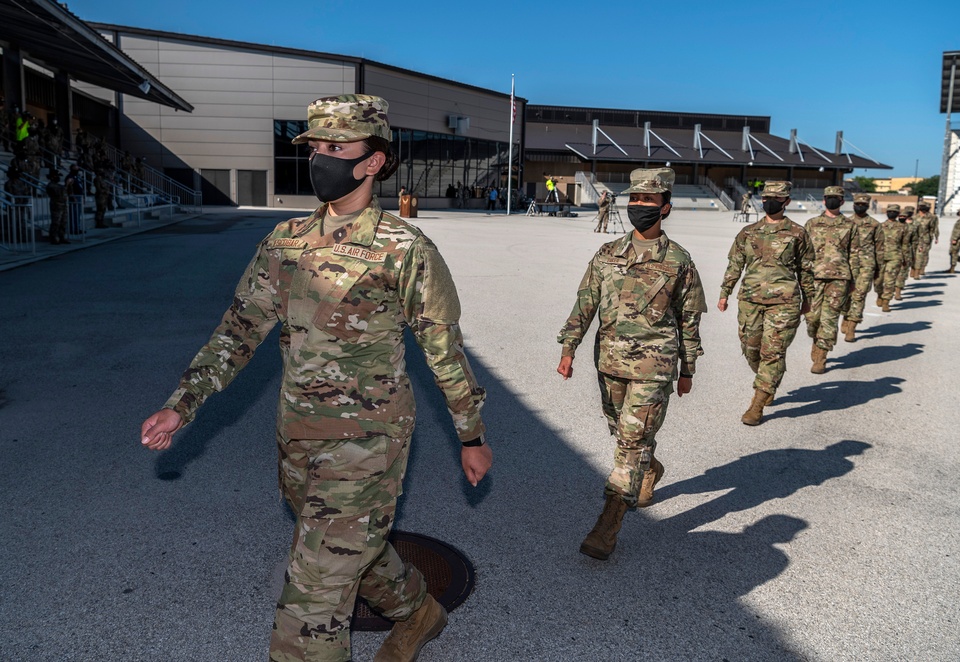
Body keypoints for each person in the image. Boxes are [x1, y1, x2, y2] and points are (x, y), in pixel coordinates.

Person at [139, 95, 492, 662]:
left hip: (369, 444)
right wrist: (181, 405)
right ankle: (419, 611)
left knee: (310, 605)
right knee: (357, 546)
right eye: (315, 148)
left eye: (335, 147)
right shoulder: (285, 241)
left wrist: (470, 436)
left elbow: (442, 349)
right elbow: (237, 331)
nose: (320, 159)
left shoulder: (404, 249)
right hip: (298, 435)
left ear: (373, 161)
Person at [557, 167, 706, 560]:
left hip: (654, 368)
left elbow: (689, 319)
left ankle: (608, 525)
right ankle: (649, 468)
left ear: (665, 208)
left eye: (649, 201)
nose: (640, 206)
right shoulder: (607, 254)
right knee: (622, 431)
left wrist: (687, 369)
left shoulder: (678, 261)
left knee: (630, 441)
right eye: (635, 199)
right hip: (609, 363)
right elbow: (585, 302)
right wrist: (568, 347)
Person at [718, 181, 814, 426]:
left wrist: (809, 299)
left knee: (772, 352)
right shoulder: (748, 232)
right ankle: (769, 379)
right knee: (751, 348)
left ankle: (758, 403)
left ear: (787, 202)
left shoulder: (798, 233)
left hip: (784, 302)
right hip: (750, 299)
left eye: (776, 198)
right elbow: (735, 264)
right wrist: (724, 292)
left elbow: (806, 270)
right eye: (766, 197)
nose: (770, 202)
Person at [803, 185, 862, 374]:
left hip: (839, 278)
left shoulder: (850, 226)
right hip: (814, 278)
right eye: (829, 197)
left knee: (829, 318)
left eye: (836, 197)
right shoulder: (811, 223)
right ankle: (816, 340)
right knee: (812, 318)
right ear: (823, 200)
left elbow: (854, 254)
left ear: (842, 202)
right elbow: (802, 252)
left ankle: (821, 356)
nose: (832, 200)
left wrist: (854, 280)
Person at [839, 193, 878, 342]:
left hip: (866, 265)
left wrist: (879, 270)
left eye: (863, 205)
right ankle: (846, 316)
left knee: (859, 294)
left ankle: (852, 327)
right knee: (846, 295)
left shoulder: (874, 224)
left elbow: (880, 247)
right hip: (847, 264)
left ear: (868, 206)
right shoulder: (846, 223)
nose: (860, 207)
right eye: (858, 204)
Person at [873, 204, 907, 312]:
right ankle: (880, 294)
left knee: (890, 281)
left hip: (895, 256)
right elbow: (874, 242)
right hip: (880, 257)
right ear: (886, 212)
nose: (892, 213)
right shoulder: (880, 226)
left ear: (898, 214)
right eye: (890, 211)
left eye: (894, 211)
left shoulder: (903, 227)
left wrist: (906, 258)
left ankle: (886, 302)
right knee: (878, 281)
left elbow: (905, 244)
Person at [911, 200, 939, 278]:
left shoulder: (931, 217)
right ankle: (913, 269)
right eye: (921, 206)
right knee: (913, 254)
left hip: (925, 239)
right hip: (914, 239)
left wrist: (936, 237)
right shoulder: (914, 217)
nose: (922, 208)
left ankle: (920, 269)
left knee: (922, 254)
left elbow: (934, 228)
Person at [894, 205, 916, 300]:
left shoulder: (911, 228)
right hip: (893, 253)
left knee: (902, 273)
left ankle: (898, 292)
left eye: (904, 217)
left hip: (906, 253)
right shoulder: (893, 227)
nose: (902, 218)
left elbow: (914, 241)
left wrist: (913, 254)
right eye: (900, 216)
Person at [45, 168, 68, 244]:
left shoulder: (58, 185)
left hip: (63, 205)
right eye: (56, 176)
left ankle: (62, 236)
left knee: (63, 222)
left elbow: (66, 192)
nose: (58, 178)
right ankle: (53, 237)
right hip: (56, 205)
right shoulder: (51, 186)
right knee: (56, 222)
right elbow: (59, 193)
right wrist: (67, 185)